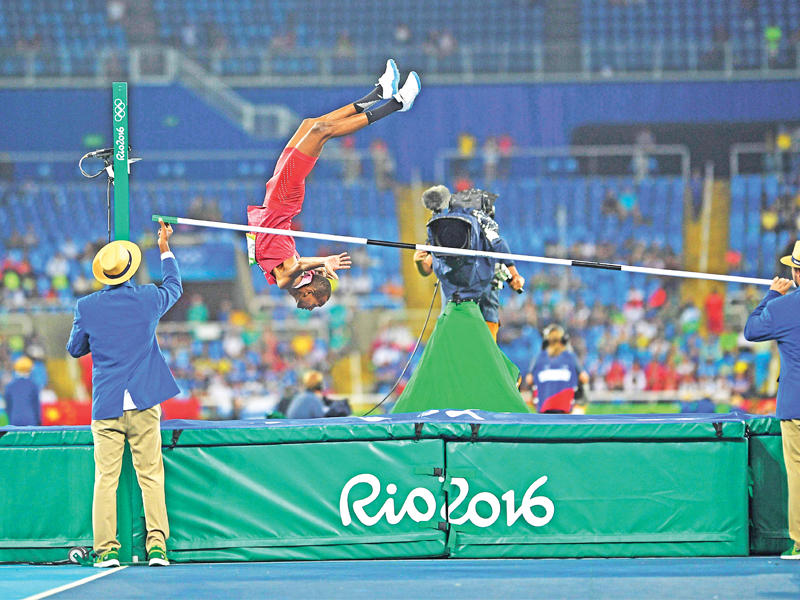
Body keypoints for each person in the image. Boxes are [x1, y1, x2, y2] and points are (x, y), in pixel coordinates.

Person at [247, 59, 420, 311]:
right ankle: (396, 103)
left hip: (275, 200)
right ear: (310, 290)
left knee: (310, 125)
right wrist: (322, 263)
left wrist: (320, 263)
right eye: (315, 303)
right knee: (320, 132)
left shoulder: (286, 282)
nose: (308, 307)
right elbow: (296, 267)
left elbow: (295, 268)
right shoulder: (294, 275)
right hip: (282, 201)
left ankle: (379, 93)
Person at [66, 220, 181, 568]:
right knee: (151, 475)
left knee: (106, 479)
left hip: (108, 405)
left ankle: (107, 550)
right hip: (144, 402)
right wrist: (164, 248)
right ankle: (157, 547)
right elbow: (174, 287)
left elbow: (74, 349)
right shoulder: (148, 298)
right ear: (130, 269)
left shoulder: (86, 307)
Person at [744, 240, 800, 560]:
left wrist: (772, 295)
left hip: (795, 405)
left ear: (795, 271)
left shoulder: (781, 307)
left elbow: (751, 330)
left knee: (798, 476)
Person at [413, 187, 524, 341]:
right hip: (453, 303)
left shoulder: (482, 227)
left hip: (482, 302)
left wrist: (515, 275)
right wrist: (418, 262)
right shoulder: (444, 231)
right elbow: (426, 268)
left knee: (484, 336)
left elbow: (499, 245)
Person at [525, 324, 589, 414]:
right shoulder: (570, 356)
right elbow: (584, 377)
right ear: (564, 340)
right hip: (565, 408)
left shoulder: (539, 357)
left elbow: (529, 379)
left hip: (543, 408)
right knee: (582, 381)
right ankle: (578, 407)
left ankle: (536, 402)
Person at [3, 356, 40, 426]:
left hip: (14, 420)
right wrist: (39, 422)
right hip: (31, 420)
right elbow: (36, 407)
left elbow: (8, 407)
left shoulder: (10, 386)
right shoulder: (33, 386)